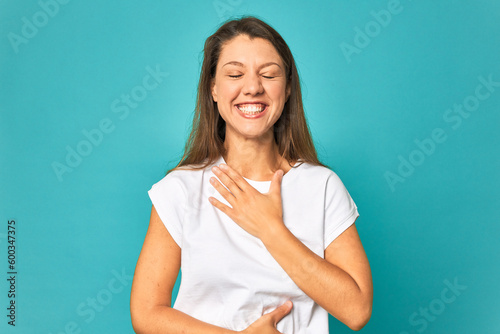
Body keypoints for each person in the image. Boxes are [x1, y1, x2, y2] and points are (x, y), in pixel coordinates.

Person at [130, 16, 372, 334]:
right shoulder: (180, 190)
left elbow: (356, 310)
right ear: (213, 89)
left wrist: (270, 229)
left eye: (268, 75)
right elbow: (147, 313)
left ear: (286, 90)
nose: (253, 87)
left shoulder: (322, 187)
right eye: (235, 74)